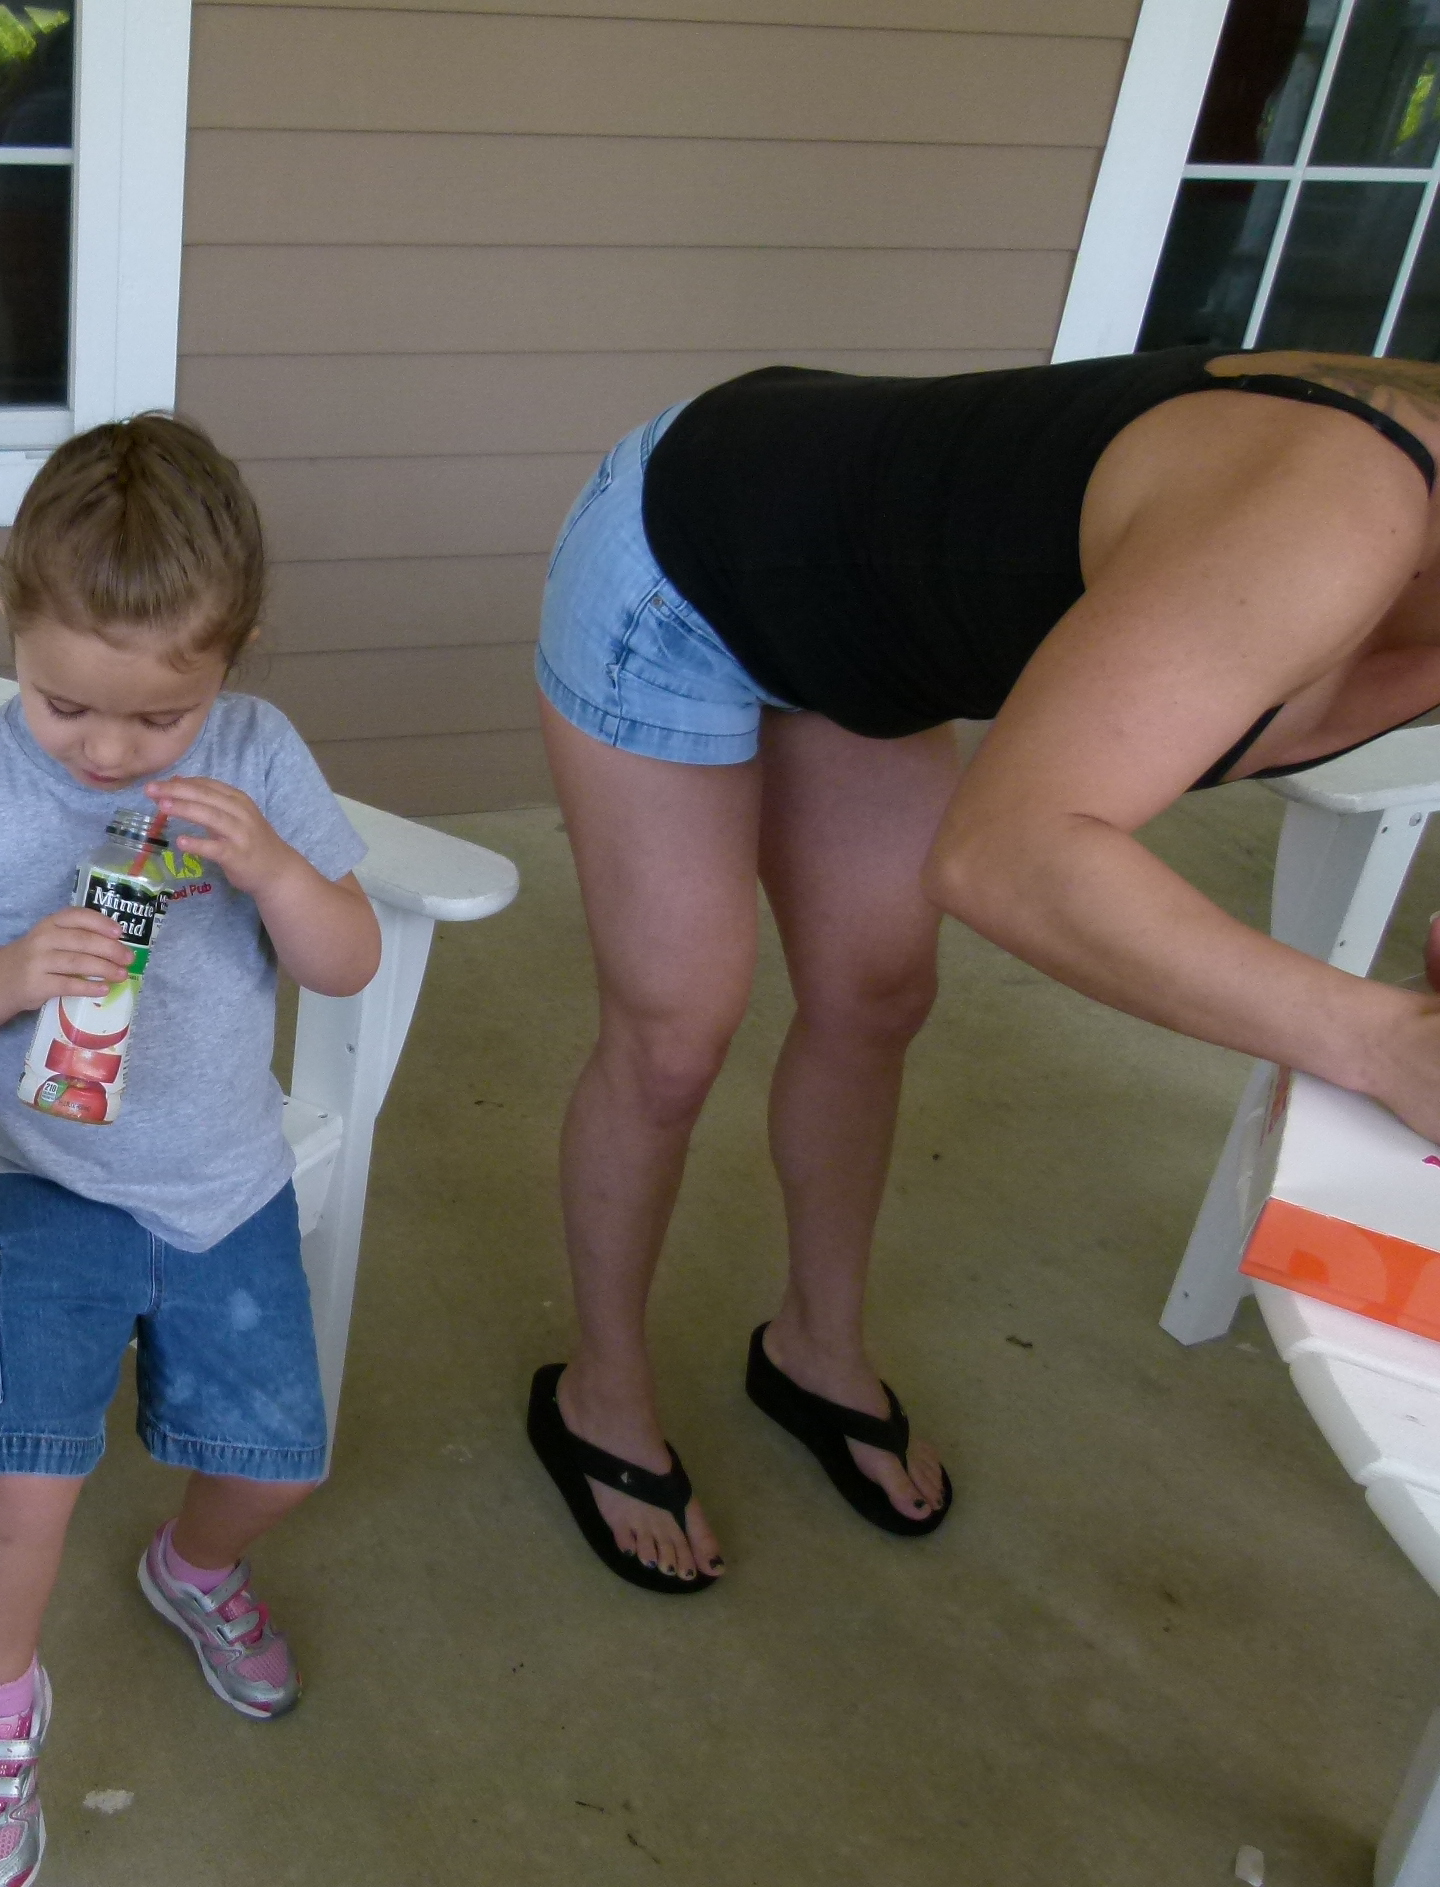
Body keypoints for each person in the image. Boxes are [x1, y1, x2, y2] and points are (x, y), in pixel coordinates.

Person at [528, 348, 1440, 1595]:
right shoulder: (1341, 506)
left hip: (868, 614)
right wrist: (1382, 1041)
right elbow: (1008, 858)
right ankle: (599, 1390)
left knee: (876, 996)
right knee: (676, 1034)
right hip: (687, 564)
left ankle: (813, 1349)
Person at [0, 414, 380, 1887]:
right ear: (11, 625)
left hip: (220, 1178)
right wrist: (8, 974)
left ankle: (194, 1567)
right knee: (22, 1474)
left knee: (279, 1465)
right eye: (64, 702)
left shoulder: (259, 757)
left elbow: (344, 960)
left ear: (233, 661)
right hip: (32, 1177)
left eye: (158, 717)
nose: (104, 749)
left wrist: (275, 867)